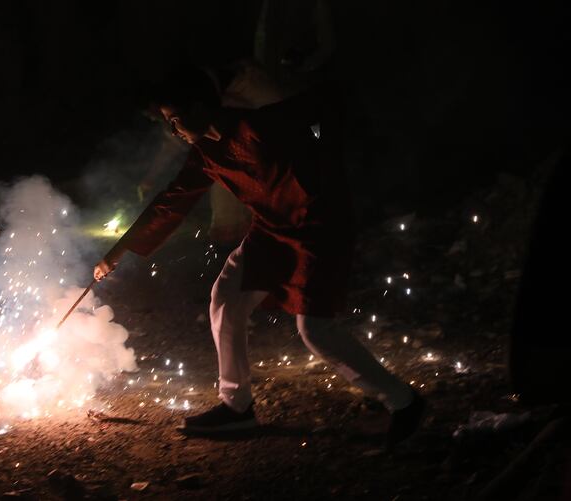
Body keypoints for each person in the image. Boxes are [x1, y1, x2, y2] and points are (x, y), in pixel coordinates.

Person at [93, 68, 424, 447]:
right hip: (270, 231)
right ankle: (236, 409)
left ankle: (403, 402)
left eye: (175, 120)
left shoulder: (260, 125)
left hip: (318, 226)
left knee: (316, 331)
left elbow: (330, 95)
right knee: (225, 300)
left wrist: (327, 161)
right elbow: (170, 204)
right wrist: (117, 253)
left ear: (200, 108)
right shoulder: (205, 155)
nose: (173, 130)